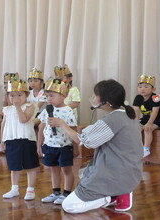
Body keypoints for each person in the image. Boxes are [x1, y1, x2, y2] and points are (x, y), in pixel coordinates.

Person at [48, 79, 143, 213]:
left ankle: (113, 196)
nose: (92, 98)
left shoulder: (111, 120)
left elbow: (84, 141)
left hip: (115, 173)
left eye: (95, 95)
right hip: (129, 172)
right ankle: (117, 193)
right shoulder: (128, 116)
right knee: (84, 173)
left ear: (106, 101)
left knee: (69, 205)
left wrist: (62, 124)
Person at [37, 78, 77, 205]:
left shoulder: (68, 111)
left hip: (64, 146)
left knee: (66, 170)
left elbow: (74, 130)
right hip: (49, 146)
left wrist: (76, 148)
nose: (49, 99)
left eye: (52, 96)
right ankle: (55, 192)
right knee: (53, 169)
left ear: (63, 96)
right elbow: (41, 128)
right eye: (47, 96)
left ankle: (67, 193)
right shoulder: (46, 110)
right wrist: (39, 145)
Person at [0, 78, 39, 200]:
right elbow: (3, 124)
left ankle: (30, 190)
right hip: (11, 140)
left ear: (26, 95)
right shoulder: (6, 109)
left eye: (19, 95)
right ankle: (14, 189)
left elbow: (24, 119)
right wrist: (2, 140)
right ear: (7, 97)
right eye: (12, 95)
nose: (16, 98)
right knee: (13, 166)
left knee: (30, 165)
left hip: (26, 139)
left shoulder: (30, 106)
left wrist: (17, 107)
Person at [133, 74, 160, 158]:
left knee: (148, 129)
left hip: (158, 119)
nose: (142, 89)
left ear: (153, 89)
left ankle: (146, 149)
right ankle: (135, 147)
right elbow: (136, 111)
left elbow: (155, 112)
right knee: (135, 128)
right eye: (140, 87)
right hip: (145, 118)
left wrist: (149, 123)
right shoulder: (138, 98)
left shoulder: (156, 97)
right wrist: (136, 122)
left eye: (146, 87)